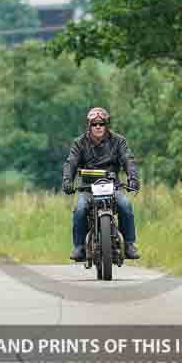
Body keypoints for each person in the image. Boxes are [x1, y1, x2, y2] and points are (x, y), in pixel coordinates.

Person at [62, 107, 141, 262]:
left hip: (113, 186)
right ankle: (79, 247)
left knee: (125, 205)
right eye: (94, 124)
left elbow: (128, 160)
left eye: (101, 124)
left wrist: (133, 177)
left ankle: (130, 245)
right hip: (88, 188)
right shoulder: (79, 143)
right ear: (89, 126)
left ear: (107, 125)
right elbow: (70, 163)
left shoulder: (119, 141)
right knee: (80, 209)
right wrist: (67, 180)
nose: (98, 127)